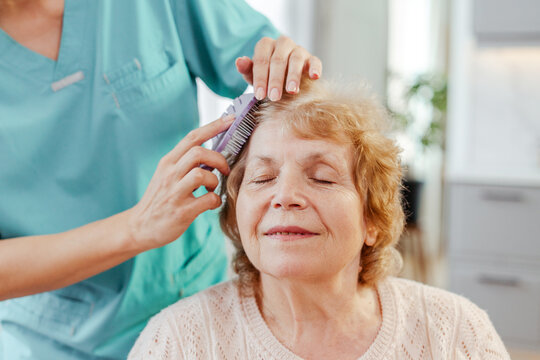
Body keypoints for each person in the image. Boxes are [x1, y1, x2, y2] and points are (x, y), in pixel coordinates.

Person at [0, 0, 322, 358]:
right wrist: (136, 227)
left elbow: (290, 89)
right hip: (61, 341)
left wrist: (284, 70)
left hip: (204, 300)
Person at [128, 78, 510, 359]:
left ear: (372, 219)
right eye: (262, 178)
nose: (285, 197)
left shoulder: (457, 334)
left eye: (322, 177)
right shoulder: (176, 341)